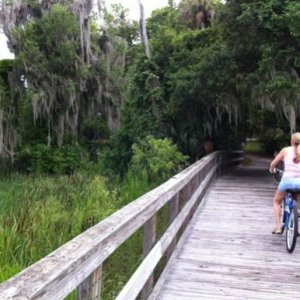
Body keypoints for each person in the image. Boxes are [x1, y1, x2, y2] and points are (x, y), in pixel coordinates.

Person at [269, 132, 300, 234]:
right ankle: (297, 226)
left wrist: (272, 169)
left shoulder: (285, 150)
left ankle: (278, 227)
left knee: (277, 201)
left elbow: (274, 163)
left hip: (287, 181)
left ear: (292, 141)